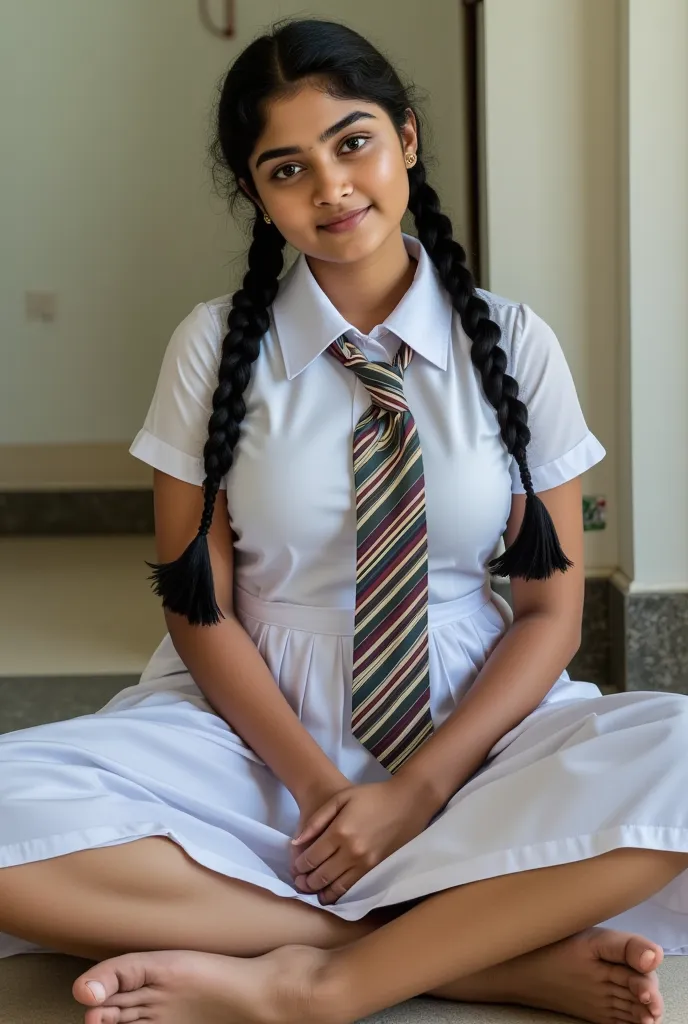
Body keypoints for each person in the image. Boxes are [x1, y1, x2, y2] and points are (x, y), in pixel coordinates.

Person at [0, 17, 686, 1024]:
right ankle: (456, 955)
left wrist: (414, 792)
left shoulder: (516, 343)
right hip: (253, 726)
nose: (330, 187)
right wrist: (325, 793)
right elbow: (200, 609)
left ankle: (320, 985)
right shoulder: (210, 348)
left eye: (352, 141)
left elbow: (549, 611)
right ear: (255, 193)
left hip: (470, 726)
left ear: (405, 138)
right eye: (287, 168)